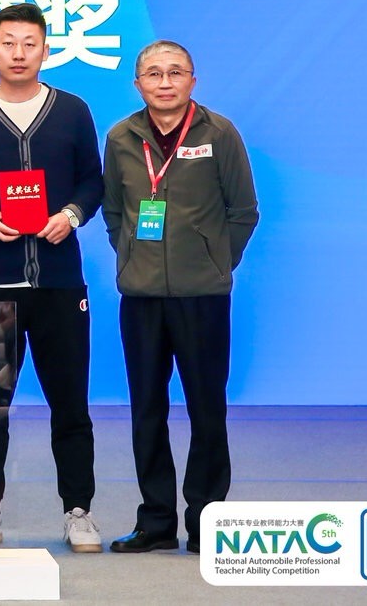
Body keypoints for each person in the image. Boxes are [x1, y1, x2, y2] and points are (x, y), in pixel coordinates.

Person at [0, 2, 105, 552]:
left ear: (46, 50)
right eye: (8, 43)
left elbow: (92, 181)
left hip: (60, 284)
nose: (18, 53)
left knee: (71, 404)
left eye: (29, 43)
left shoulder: (72, 110)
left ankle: (78, 511)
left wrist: (71, 216)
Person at [102, 40, 258, 554]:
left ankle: (207, 520)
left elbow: (243, 210)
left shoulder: (219, 133)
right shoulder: (121, 137)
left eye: (175, 72)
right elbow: (114, 211)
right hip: (141, 296)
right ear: (137, 84)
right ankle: (155, 521)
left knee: (206, 409)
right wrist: (131, 256)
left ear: (193, 79)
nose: (164, 82)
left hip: (202, 296)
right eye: (153, 73)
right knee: (146, 410)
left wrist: (215, 262)